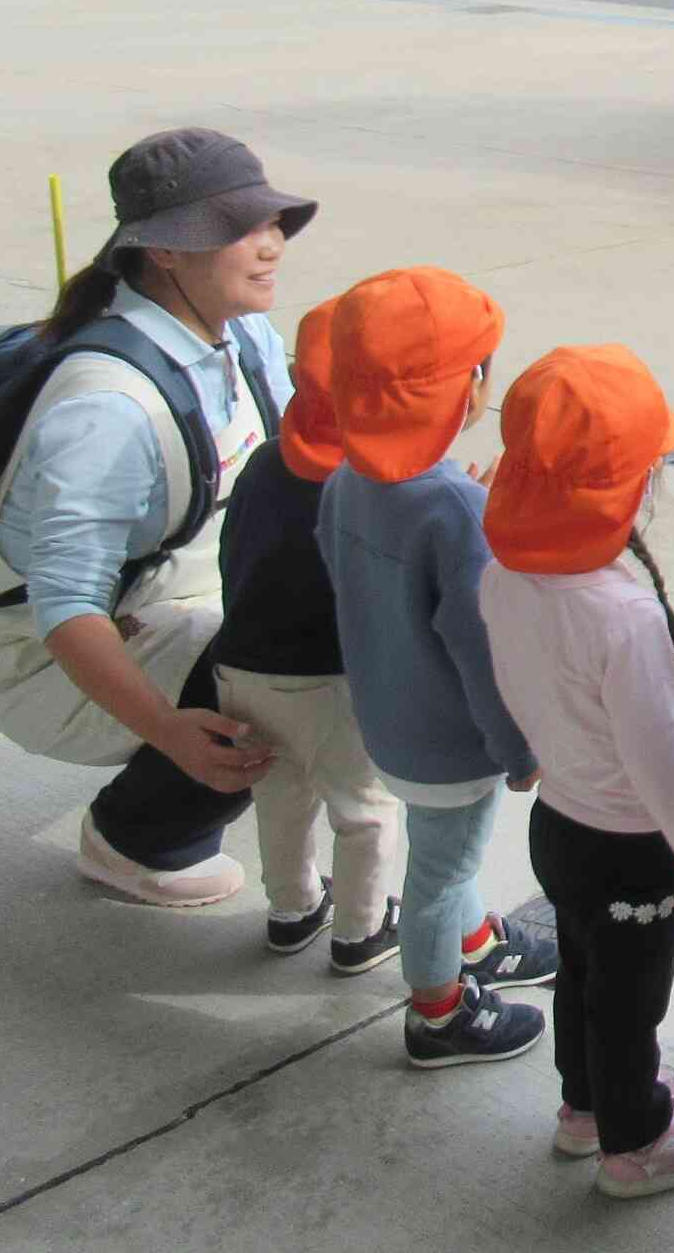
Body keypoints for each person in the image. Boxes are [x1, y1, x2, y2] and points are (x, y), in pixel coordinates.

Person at [0, 127, 310, 908]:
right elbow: (65, 610)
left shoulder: (244, 333)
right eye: (239, 228)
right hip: (47, 660)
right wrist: (168, 732)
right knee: (293, 654)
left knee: (346, 593)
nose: (271, 245)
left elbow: (301, 468)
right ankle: (136, 837)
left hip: (166, 597)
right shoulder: (105, 409)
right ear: (165, 252)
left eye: (272, 222)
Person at [479, 345, 674, 1201]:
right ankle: (636, 1145)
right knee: (632, 1003)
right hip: (629, 845)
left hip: (558, 825)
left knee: (585, 975)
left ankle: (583, 1109)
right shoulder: (624, 614)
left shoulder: (502, 570)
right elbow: (660, 752)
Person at [319, 266, 556, 1069]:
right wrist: (521, 751)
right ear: (468, 389)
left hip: (385, 714)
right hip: (450, 745)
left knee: (442, 851)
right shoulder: (455, 512)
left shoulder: (346, 481)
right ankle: (439, 1012)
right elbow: (485, 657)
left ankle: (476, 938)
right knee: (442, 865)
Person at [212, 296, 402, 972]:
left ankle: (291, 911)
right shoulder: (373, 488)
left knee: (281, 798)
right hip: (329, 680)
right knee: (363, 808)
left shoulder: (264, 463)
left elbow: (231, 555)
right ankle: (361, 929)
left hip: (243, 668)